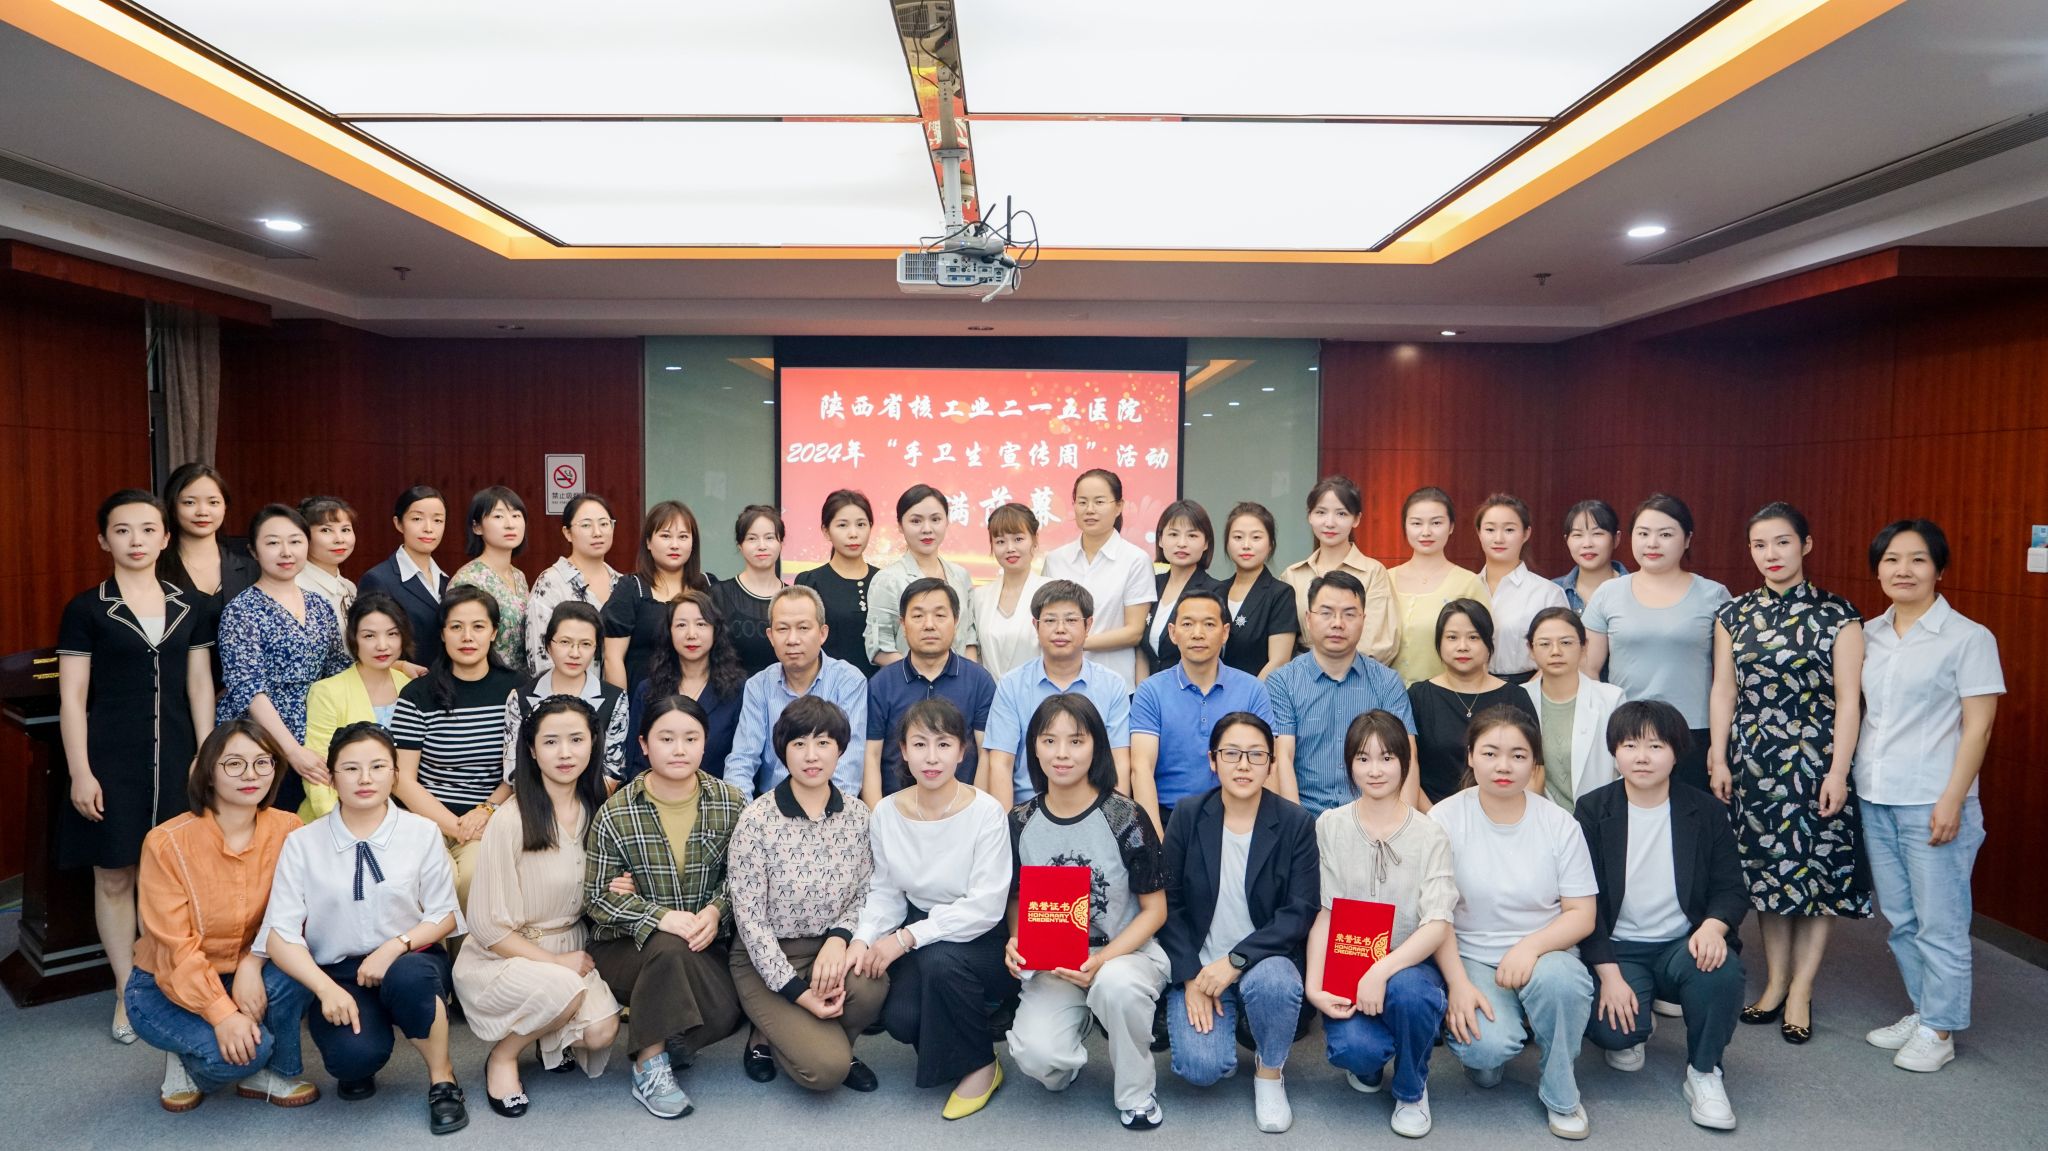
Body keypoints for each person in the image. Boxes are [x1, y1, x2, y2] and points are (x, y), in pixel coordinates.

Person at [58, 489, 217, 1046]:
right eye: (122, 530)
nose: (136, 540)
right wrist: (80, 771)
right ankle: (126, 988)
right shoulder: (86, 609)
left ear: (165, 538)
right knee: (114, 874)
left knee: (171, 874)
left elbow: (200, 685)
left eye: (148, 530)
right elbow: (72, 698)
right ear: (104, 540)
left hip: (178, 754)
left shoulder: (192, 605)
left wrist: (205, 755)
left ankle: (167, 978)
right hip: (110, 758)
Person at [1709, 502, 1870, 1045]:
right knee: (1768, 874)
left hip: (1816, 762)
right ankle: (1776, 981)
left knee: (1815, 875)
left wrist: (1839, 770)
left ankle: (1802, 987)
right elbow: (1724, 690)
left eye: (1782, 542)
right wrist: (1719, 755)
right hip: (1754, 761)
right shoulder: (1733, 614)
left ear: (1806, 545)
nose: (1770, 554)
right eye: (1759, 545)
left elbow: (1849, 700)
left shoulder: (1839, 614)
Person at [257, 723, 467, 1133]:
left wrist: (395, 946)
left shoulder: (421, 832)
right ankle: (366, 1045)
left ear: (395, 774)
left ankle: (443, 1078)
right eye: (351, 768)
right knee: (352, 1060)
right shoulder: (304, 843)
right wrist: (324, 988)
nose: (365, 778)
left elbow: (444, 915)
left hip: (410, 958)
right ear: (332, 778)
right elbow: (279, 934)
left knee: (410, 979)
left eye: (377, 767)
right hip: (339, 974)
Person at [1855, 520, 2003, 1074]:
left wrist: (1952, 799)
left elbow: (1979, 728)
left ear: (1939, 570)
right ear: (1878, 570)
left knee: (1941, 922)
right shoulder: (1867, 634)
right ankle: (1923, 1011)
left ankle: (1940, 1029)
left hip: (1933, 798)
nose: (1904, 570)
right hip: (1876, 794)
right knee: (1900, 918)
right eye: (1892, 560)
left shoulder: (1968, 637)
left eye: (1918, 560)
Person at [126, 717, 315, 1111]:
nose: (251, 774)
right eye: (234, 763)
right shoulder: (166, 843)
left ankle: (273, 1073)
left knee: (298, 970)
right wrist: (222, 1014)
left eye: (262, 762)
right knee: (245, 1053)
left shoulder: (289, 828)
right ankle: (189, 1057)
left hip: (249, 969)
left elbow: (292, 917)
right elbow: (175, 949)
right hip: (166, 984)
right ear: (208, 772)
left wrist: (251, 963)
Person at [1578, 701, 1748, 1131]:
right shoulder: (1593, 809)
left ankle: (1705, 1072)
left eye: (1655, 746)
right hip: (1618, 948)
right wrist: (1609, 975)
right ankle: (1639, 1015)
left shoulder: (1706, 811)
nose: (1642, 757)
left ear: (1676, 752)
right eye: (1630, 745)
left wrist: (1713, 926)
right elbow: (1582, 900)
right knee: (1615, 1034)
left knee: (1721, 968)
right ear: (1614, 751)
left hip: (1682, 943)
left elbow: (1731, 888)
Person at [1432, 706, 1598, 1141]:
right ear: (1470, 756)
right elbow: (1435, 915)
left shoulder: (1559, 824)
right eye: (1490, 753)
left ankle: (1561, 1091)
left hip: (1545, 952)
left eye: (1518, 755)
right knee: (1485, 1050)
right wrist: (1457, 984)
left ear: (1535, 762)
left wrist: (1530, 948)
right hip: (1470, 955)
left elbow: (1582, 914)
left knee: (1563, 984)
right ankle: (1496, 1042)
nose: (1503, 766)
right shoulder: (1443, 820)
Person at [1005, 693, 1170, 1130]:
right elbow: (1018, 897)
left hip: (1124, 955)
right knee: (1039, 1059)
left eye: (1076, 741)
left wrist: (1102, 960)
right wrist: (1016, 938)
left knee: (1115, 988)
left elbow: (1155, 911)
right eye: (1049, 740)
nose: (1062, 753)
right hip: (1055, 962)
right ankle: (1077, 1028)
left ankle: (1136, 1094)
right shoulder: (1020, 821)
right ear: (1034, 747)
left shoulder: (1125, 816)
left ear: (1096, 746)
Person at [455, 696, 623, 1117]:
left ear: (593, 743)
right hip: (505, 955)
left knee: (602, 1031)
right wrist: (557, 963)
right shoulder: (511, 820)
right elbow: (488, 928)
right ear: (531, 750)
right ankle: (504, 1056)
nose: (565, 753)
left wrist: (623, 882)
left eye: (576, 740)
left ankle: (548, 1032)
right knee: (563, 988)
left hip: (572, 945)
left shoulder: (599, 809)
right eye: (550, 742)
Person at [848, 698, 1015, 1118]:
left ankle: (982, 1066)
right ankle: (963, 1038)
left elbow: (986, 905)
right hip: (919, 927)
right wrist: (864, 938)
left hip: (981, 934)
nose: (932, 757)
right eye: (920, 744)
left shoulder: (987, 812)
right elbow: (886, 891)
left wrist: (905, 938)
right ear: (903, 751)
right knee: (901, 1018)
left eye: (943, 744)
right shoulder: (887, 813)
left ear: (962, 751)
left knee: (939, 962)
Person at [585, 695, 749, 1119]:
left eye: (691, 738)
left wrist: (716, 911)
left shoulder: (731, 803)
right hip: (625, 949)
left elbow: (746, 879)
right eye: (666, 738)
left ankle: (670, 1026)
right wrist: (660, 917)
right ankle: (649, 1063)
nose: (679, 749)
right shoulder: (617, 812)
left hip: (704, 947)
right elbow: (597, 898)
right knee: (668, 947)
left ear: (705, 742)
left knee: (728, 1012)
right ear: (643, 744)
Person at [1158, 713, 1318, 1134]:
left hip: (1264, 960)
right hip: (1201, 966)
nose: (1243, 765)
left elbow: (1300, 910)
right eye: (1231, 754)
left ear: (1271, 763)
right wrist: (1190, 976)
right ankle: (1237, 1021)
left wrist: (1235, 961)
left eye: (1255, 755)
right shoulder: (1188, 815)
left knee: (1277, 984)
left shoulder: (1295, 823)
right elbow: (1168, 904)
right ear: (1213, 760)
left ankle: (1270, 1072)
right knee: (1201, 1068)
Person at [727, 695, 888, 1092]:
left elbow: (866, 890)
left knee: (872, 984)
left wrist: (839, 939)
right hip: (766, 957)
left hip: (827, 950)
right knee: (826, 1072)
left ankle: (831, 1043)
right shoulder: (756, 820)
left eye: (823, 743)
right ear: (783, 751)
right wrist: (799, 994)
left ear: (840, 750)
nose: (811, 755)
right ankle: (769, 1035)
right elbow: (750, 921)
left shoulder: (858, 816)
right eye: (799, 743)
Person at [1308, 710, 1456, 1138]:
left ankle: (1411, 1089)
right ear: (1349, 765)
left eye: (1387, 758)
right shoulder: (1330, 825)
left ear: (1404, 763)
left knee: (1410, 994)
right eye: (1363, 758)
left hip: (1409, 964)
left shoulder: (1429, 833)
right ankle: (1374, 1058)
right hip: (1349, 962)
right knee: (1355, 1050)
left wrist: (1380, 971)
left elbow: (1438, 923)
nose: (1375, 770)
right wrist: (1314, 987)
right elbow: (1326, 913)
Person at [1583, 494, 1732, 793]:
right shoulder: (1608, 593)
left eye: (1665, 534)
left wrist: (1718, 753)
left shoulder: (1714, 595)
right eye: (1643, 534)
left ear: (1687, 539)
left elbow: (1725, 683)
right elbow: (1588, 669)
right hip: (1626, 730)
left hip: (1693, 732)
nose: (1652, 543)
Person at [390, 586, 522, 916]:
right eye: (456, 627)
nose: (467, 637)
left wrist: (486, 811)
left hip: (489, 819)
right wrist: (454, 826)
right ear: (442, 633)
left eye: (478, 626)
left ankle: (469, 952)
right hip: (427, 822)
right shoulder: (417, 694)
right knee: (438, 878)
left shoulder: (516, 690)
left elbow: (520, 769)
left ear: (494, 632)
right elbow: (402, 779)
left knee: (476, 877)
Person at [217, 504, 351, 815]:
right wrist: (292, 751)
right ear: (254, 551)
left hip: (315, 735)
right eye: (273, 543)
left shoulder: (319, 605)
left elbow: (337, 669)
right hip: (259, 741)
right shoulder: (242, 610)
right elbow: (248, 688)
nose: (286, 552)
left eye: (295, 541)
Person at [1266, 572, 1415, 817]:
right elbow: (1282, 758)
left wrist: (1402, 825)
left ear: (1363, 620)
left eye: (1349, 614)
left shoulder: (1387, 682)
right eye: (1326, 613)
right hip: (1306, 817)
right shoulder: (1282, 682)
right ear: (1308, 619)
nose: (1337, 623)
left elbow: (1406, 757)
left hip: (1373, 819)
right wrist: (1296, 828)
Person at [1130, 590, 1273, 835]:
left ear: (1225, 632)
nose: (1198, 633)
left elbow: (1266, 764)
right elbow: (1141, 768)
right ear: (1173, 633)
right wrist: (1156, 842)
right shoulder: (1151, 691)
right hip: (1169, 819)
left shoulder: (1253, 690)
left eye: (1209, 624)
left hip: (1237, 819)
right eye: (1187, 624)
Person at [981, 580, 1132, 809]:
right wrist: (1008, 823)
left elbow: (1119, 760)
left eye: (1071, 620)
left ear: (1088, 625)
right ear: (1036, 626)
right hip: (1028, 809)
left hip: (1094, 810)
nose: (1060, 629)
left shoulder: (1112, 685)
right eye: (1050, 620)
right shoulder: (1012, 685)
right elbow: (1001, 763)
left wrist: (1113, 820)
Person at [723, 586, 869, 798]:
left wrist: (829, 812)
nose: (792, 639)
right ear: (770, 636)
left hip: (831, 806)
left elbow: (848, 764)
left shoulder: (849, 681)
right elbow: (742, 760)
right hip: (771, 808)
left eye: (803, 628)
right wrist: (743, 811)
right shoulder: (759, 685)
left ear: (822, 633)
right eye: (783, 629)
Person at [862, 578, 995, 803]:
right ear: (903, 624)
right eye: (918, 616)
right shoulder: (882, 683)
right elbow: (871, 756)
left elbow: (986, 754)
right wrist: (878, 816)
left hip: (961, 810)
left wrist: (975, 812)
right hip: (896, 811)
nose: (929, 625)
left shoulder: (979, 680)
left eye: (940, 615)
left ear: (956, 621)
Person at [1408, 599, 1538, 807]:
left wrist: (1511, 816)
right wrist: (1433, 819)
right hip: (1433, 815)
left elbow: (1535, 769)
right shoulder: (1419, 696)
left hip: (1504, 814)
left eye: (1473, 637)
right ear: (1439, 643)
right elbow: (1408, 766)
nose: (1463, 647)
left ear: (1489, 644)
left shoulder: (1515, 696)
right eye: (1452, 637)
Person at [303, 592, 415, 821]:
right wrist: (339, 822)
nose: (382, 645)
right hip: (339, 817)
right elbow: (317, 771)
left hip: (402, 814)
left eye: (392, 634)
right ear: (353, 638)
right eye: (369, 636)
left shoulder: (411, 687)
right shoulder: (327, 692)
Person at [1041, 469, 1154, 688]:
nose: (1090, 510)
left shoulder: (1135, 560)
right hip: (1059, 682)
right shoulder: (1055, 560)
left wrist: (1074, 643)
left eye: (1099, 502)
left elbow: (1134, 631)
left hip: (1113, 683)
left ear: (1118, 506)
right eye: (1082, 502)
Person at [625, 590, 746, 782]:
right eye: (681, 625)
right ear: (669, 632)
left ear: (715, 631)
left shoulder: (738, 690)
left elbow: (742, 759)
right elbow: (636, 761)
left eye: (701, 624)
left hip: (717, 794)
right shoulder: (647, 690)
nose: (691, 634)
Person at [503, 602, 629, 786]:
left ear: (596, 649)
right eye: (565, 642)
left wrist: (574, 802)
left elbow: (612, 772)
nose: (575, 653)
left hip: (594, 800)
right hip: (534, 799)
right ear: (548, 645)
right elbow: (513, 771)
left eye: (585, 644)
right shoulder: (520, 700)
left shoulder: (615, 700)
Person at [1281, 475, 1398, 664]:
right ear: (1310, 516)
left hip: (1359, 674)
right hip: (1302, 675)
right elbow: (1283, 642)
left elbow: (1378, 645)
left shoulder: (1373, 573)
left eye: (1341, 514)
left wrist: (1336, 670)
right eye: (1321, 512)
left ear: (1356, 519)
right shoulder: (1292, 575)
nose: (1330, 522)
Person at [602, 500, 713, 693]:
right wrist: (622, 708)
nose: (675, 545)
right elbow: (613, 659)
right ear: (648, 542)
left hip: (698, 700)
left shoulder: (709, 586)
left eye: (683, 537)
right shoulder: (631, 588)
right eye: (665, 536)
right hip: (644, 699)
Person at [1521, 607, 1624, 812]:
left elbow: (1625, 768)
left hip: (1600, 816)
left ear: (1584, 647)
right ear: (1531, 650)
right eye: (1544, 644)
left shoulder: (1611, 699)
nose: (1556, 651)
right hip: (1538, 817)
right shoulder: (1518, 698)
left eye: (1566, 642)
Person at [865, 485, 980, 667]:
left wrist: (967, 676)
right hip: (909, 682)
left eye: (935, 519)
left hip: (960, 681)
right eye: (916, 521)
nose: (927, 529)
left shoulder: (960, 575)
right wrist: (922, 675)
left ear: (947, 521)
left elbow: (969, 637)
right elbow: (879, 647)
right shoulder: (887, 580)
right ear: (900, 526)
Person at [1389, 486, 1491, 685]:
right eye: (1416, 523)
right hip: (1386, 697)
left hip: (1446, 694)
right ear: (1405, 526)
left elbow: (1482, 651)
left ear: (1451, 526)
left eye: (1436, 523)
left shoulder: (1468, 584)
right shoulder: (1384, 579)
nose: (1426, 532)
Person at [524, 492, 624, 675]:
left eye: (604, 524)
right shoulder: (550, 583)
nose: (597, 532)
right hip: (564, 692)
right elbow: (539, 657)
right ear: (567, 533)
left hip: (616, 692)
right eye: (586, 525)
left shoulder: (623, 584)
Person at [1476, 494, 1568, 684]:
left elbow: (1564, 651)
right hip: (1470, 688)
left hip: (1530, 687)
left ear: (1526, 534)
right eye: (1490, 529)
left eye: (1509, 529)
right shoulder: (1466, 588)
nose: (1499, 538)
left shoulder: (1548, 593)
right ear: (1479, 533)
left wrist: (1526, 692)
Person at [157, 462, 257, 632]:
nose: (203, 511)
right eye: (189, 502)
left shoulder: (252, 570)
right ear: (172, 507)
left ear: (225, 507)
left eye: (213, 502)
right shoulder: (155, 570)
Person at [359, 485, 452, 667]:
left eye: (438, 520)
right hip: (404, 681)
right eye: (417, 519)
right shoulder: (378, 579)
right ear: (399, 523)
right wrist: (400, 667)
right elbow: (366, 644)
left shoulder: (447, 581)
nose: (428, 528)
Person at [795, 489, 879, 678]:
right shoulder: (810, 581)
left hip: (879, 687)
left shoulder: (884, 580)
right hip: (827, 686)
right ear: (826, 531)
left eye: (861, 524)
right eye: (842, 525)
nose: (853, 534)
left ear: (870, 527)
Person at [448, 485, 531, 667]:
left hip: (521, 679)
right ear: (477, 527)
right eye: (498, 516)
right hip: (484, 676)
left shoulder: (519, 576)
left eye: (516, 515)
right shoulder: (468, 579)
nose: (510, 524)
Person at [1139, 499, 1221, 678]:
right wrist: (1143, 690)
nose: (1182, 543)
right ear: (1160, 540)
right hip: (1150, 689)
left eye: (1192, 536)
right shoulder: (1150, 584)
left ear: (1206, 543)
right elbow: (1141, 650)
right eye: (1173, 534)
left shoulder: (1214, 592)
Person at [1217, 502, 1299, 679]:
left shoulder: (1280, 594)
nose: (1246, 545)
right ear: (1227, 544)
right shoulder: (1215, 591)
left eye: (1256, 537)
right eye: (1238, 537)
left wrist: (1249, 693)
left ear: (1270, 544)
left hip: (1258, 693)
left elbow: (1279, 661)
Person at [972, 501, 1052, 681]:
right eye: (1000, 541)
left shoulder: (1051, 593)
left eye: (1018, 539)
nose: (1010, 549)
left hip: (1039, 691)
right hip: (991, 694)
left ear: (1035, 540)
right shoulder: (979, 597)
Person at [712, 503, 787, 676]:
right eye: (752, 539)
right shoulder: (718, 595)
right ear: (740, 545)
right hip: (731, 689)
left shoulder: (794, 598)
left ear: (781, 543)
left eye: (769, 538)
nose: (762, 546)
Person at [296, 494, 359, 635]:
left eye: (345, 529)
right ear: (303, 535)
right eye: (326, 530)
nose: (340, 539)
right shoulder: (295, 588)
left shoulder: (349, 587)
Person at [1552, 499, 1627, 615]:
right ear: (1567, 541)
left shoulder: (1635, 589)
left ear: (1616, 539)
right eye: (1578, 535)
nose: (1587, 544)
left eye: (1597, 534)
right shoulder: (1553, 590)